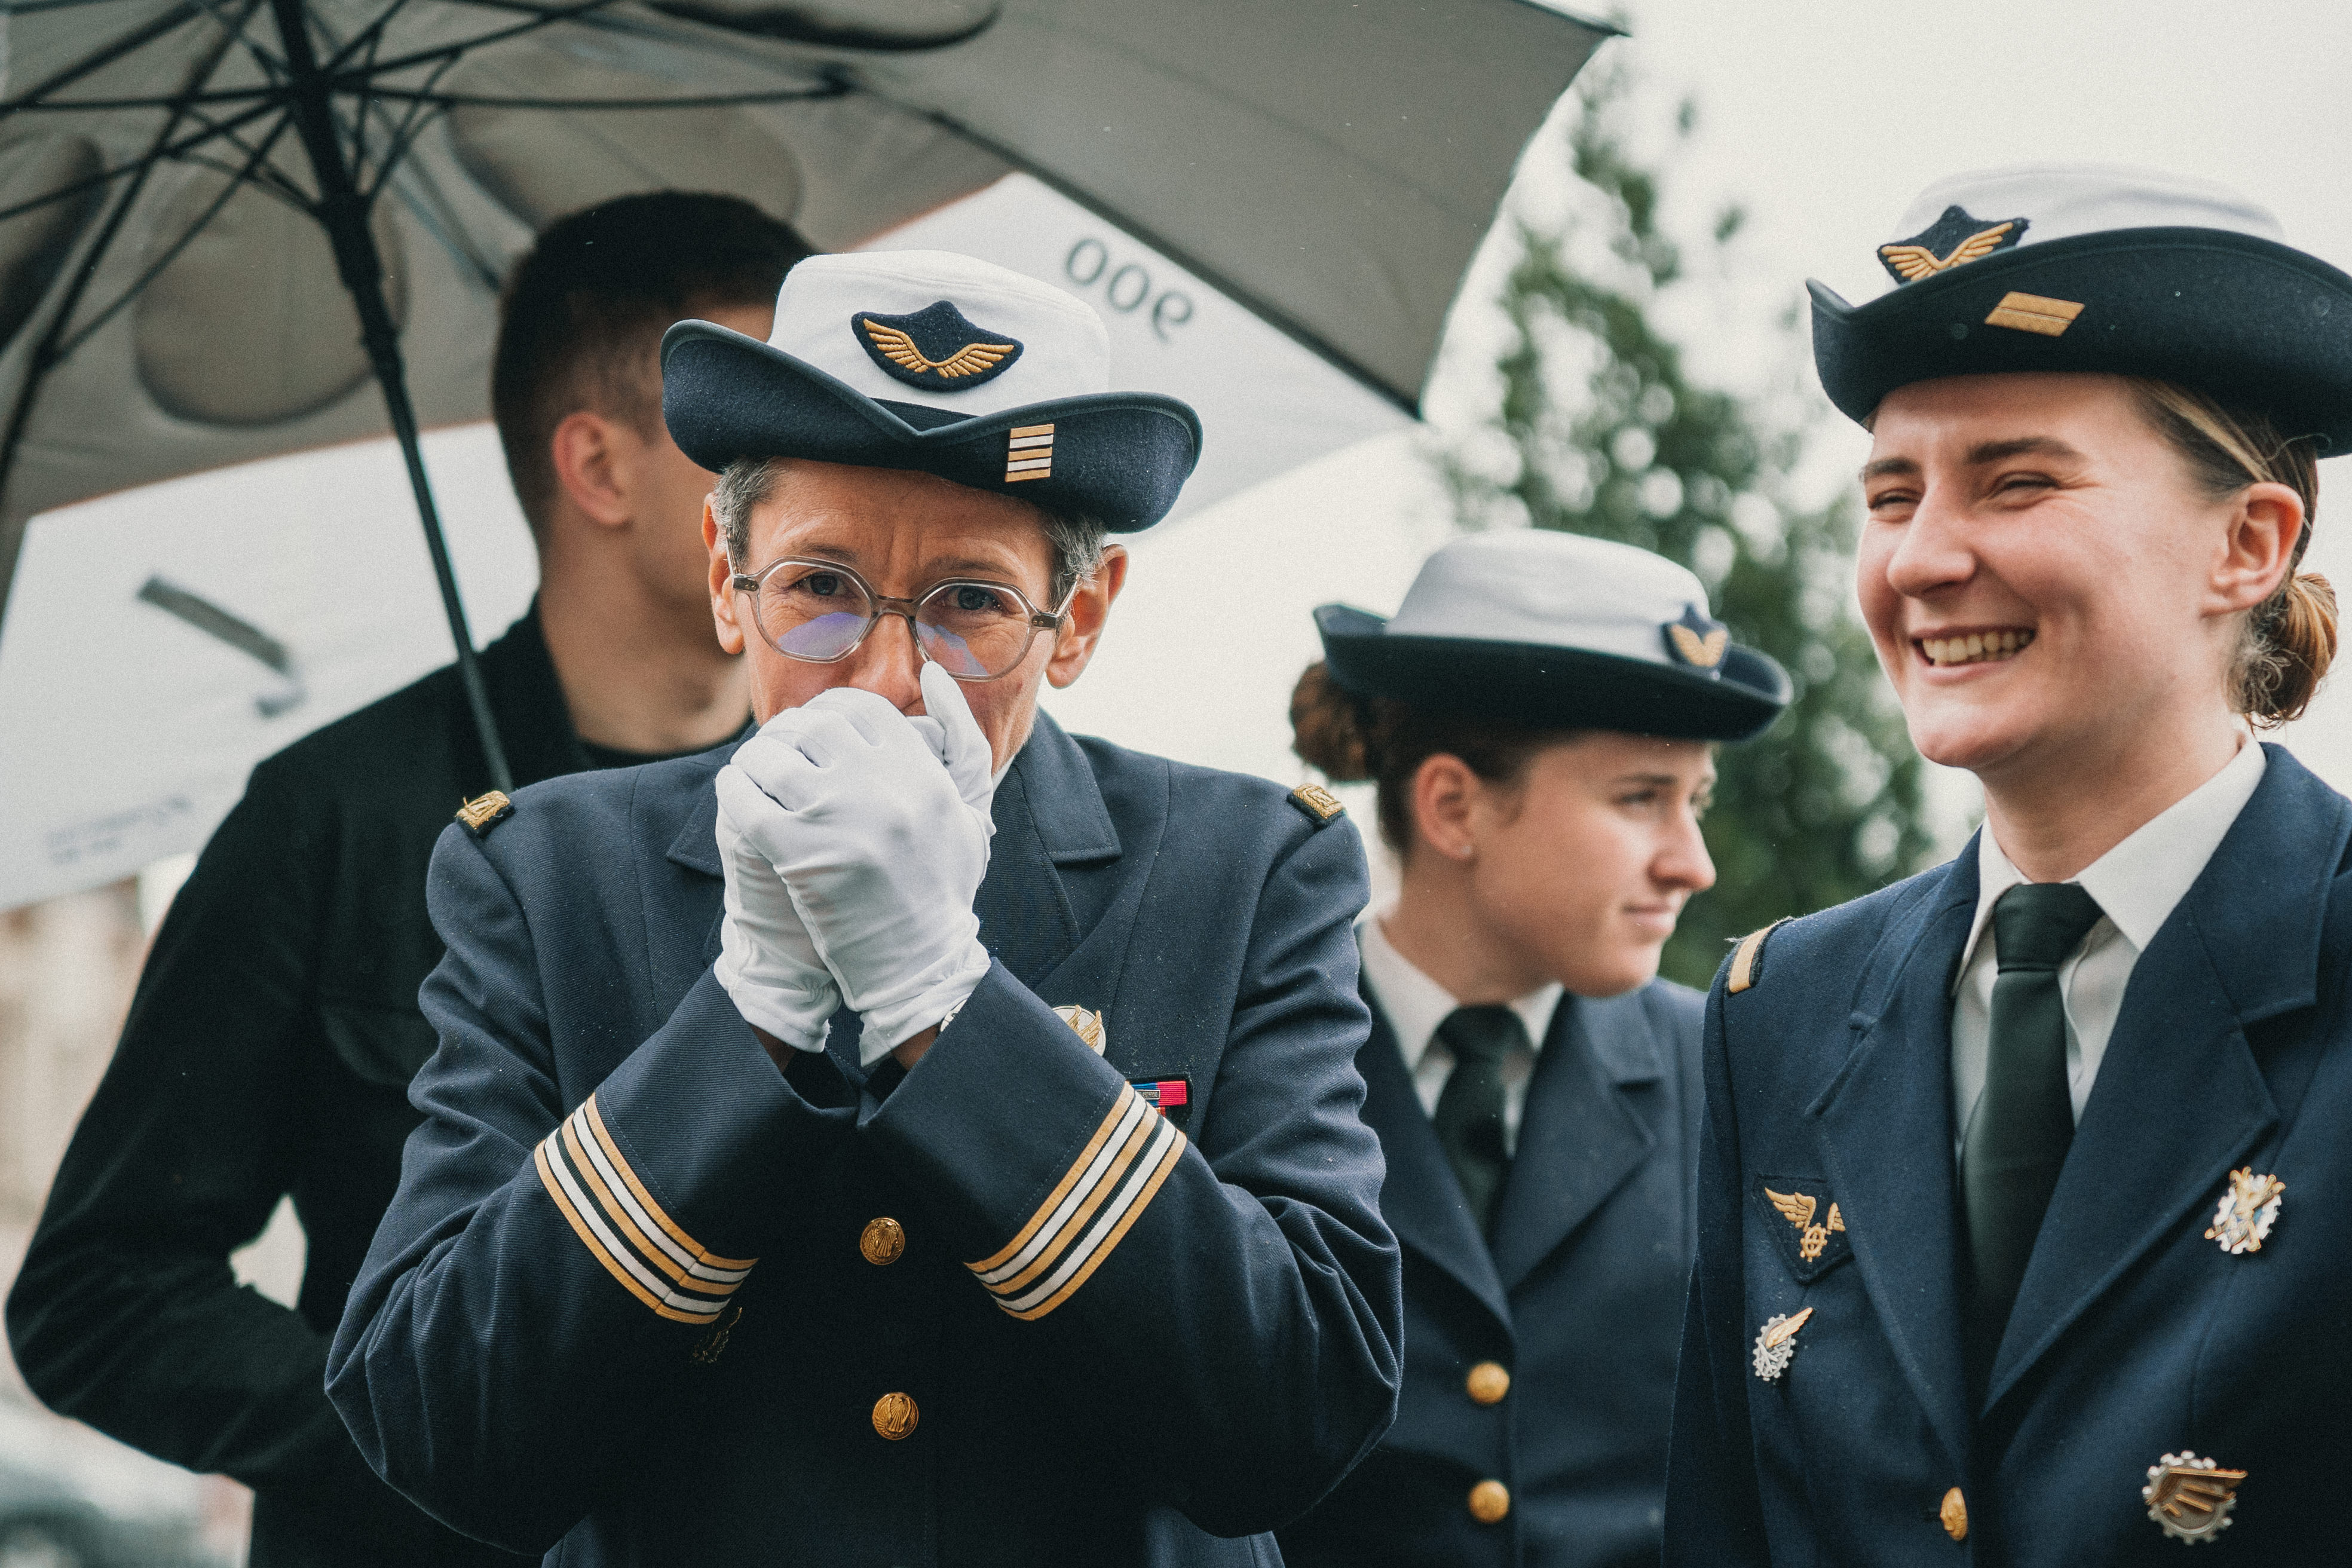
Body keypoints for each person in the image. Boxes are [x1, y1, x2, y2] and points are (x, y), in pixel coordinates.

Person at [323, 249, 1404, 1566]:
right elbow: (440, 1429)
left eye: (972, 605)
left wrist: (949, 998)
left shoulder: (1244, 869)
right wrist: (746, 1018)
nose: (889, 676)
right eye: (820, 587)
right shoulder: (547, 876)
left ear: (1078, 619)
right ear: (727, 579)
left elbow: (1301, 1414)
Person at [5, 192, 813, 1567]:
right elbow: (98, 1291)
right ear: (599, 467)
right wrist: (419, 1436)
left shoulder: (853, 818)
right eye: (757, 431)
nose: (823, 473)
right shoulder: (330, 821)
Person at [1664, 166, 2351, 1565]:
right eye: (1890, 495)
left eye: (2017, 482)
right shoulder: (1784, 1006)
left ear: (2247, 544)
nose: (1921, 560)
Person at [1273, 531, 1790, 1568]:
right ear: (1454, 806)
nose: (1691, 863)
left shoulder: (1729, 1070)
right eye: (1641, 798)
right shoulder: (1263, 1065)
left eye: (1694, 802)